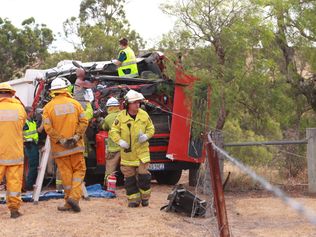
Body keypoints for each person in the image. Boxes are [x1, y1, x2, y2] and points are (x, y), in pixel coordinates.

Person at [43, 77, 88, 213]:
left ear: (52, 91)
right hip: (76, 146)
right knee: (79, 172)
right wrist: (76, 136)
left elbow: (48, 128)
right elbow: (84, 121)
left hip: (60, 149)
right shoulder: (75, 104)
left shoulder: (48, 107)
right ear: (65, 89)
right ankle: (73, 199)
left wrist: (60, 140)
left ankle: (69, 201)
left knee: (66, 175)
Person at [110, 90, 155, 207]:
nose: (137, 105)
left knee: (143, 177)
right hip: (128, 155)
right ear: (127, 104)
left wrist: (146, 136)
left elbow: (151, 129)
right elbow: (113, 131)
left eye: (138, 102)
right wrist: (120, 141)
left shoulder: (144, 115)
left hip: (141, 154)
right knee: (129, 179)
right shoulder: (120, 117)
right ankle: (133, 200)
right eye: (134, 103)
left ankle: (145, 198)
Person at [0, 83, 27, 218]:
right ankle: (14, 210)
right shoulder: (19, 108)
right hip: (14, 153)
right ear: (12, 93)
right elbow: (22, 125)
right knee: (14, 182)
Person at [100, 97, 121, 189]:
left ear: (109, 107)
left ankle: (108, 187)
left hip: (113, 148)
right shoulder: (124, 115)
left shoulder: (108, 118)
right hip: (126, 147)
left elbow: (103, 127)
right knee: (129, 168)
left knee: (110, 169)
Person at [23, 106, 44, 191]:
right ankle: (29, 186)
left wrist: (44, 121)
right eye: (32, 112)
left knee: (34, 166)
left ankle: (31, 184)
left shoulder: (32, 122)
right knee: (33, 166)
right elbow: (21, 133)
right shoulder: (25, 122)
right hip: (29, 145)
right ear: (29, 112)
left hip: (33, 145)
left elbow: (38, 131)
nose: (34, 113)